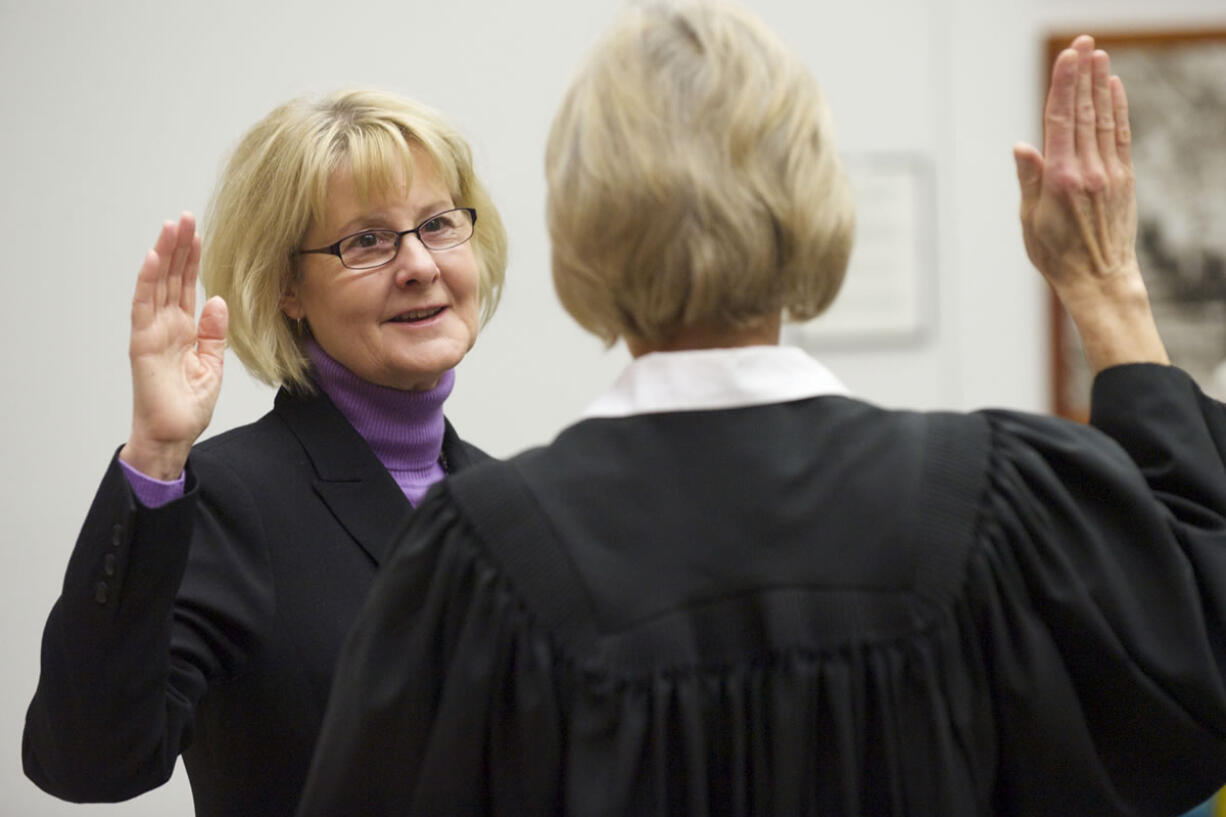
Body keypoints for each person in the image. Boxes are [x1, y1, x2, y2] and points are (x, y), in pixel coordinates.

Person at [295, 4, 1226, 817]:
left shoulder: (481, 558)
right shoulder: (990, 502)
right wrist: (1106, 290)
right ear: (815, 198)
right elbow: (1197, 653)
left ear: (577, 228)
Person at [23, 88, 507, 817]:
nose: (417, 264)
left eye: (437, 224)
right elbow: (89, 761)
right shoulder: (231, 498)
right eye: (367, 241)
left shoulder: (515, 503)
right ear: (288, 288)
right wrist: (155, 453)